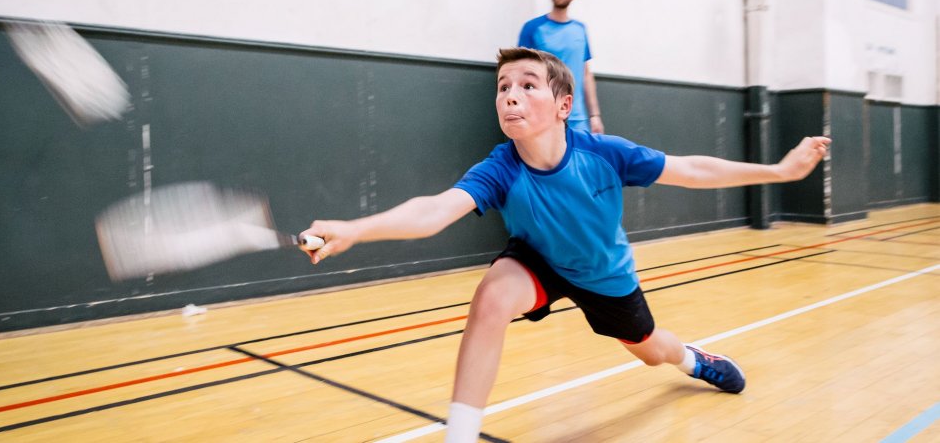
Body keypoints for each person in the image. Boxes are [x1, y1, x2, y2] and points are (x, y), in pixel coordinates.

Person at [300, 48, 831, 443]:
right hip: (538, 260)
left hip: (604, 274)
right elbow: (436, 210)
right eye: (503, 86)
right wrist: (355, 228)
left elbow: (692, 169)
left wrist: (780, 171)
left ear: (563, 104)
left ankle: (692, 359)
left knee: (651, 352)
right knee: (489, 299)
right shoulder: (500, 167)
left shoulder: (604, 153)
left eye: (528, 85)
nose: (510, 94)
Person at [518, 0, 603, 133]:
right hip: (543, 114)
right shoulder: (533, 28)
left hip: (578, 118)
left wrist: (595, 115)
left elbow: (586, 74)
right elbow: (521, 73)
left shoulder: (580, 29)